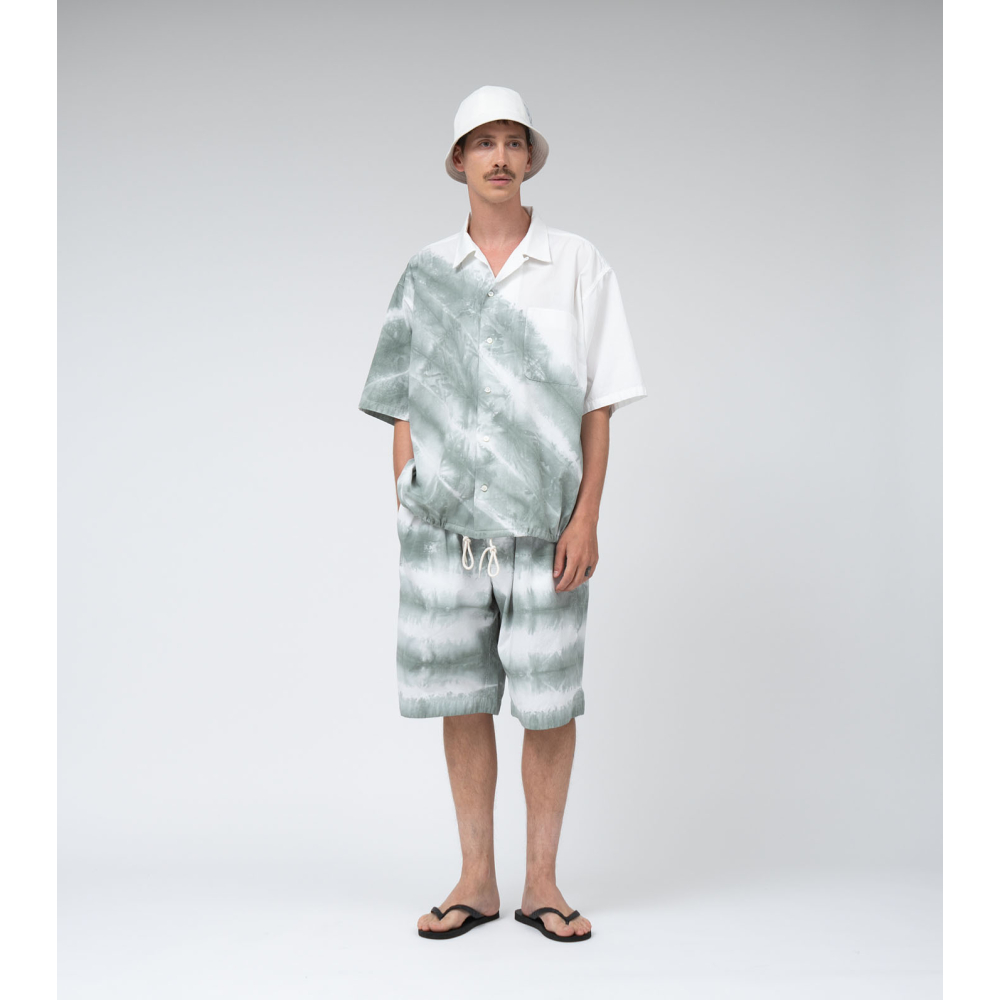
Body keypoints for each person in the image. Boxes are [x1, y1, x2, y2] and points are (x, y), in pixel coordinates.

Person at [358, 85, 647, 942]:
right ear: (459, 161)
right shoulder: (426, 272)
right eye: (482, 142)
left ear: (529, 159)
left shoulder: (578, 266)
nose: (499, 156)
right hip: (444, 531)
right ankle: (476, 880)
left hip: (546, 528)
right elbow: (397, 395)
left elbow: (600, 401)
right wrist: (408, 491)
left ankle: (543, 885)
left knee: (549, 702)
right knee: (463, 697)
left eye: (513, 141)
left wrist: (586, 518)